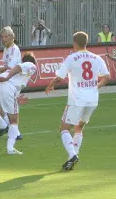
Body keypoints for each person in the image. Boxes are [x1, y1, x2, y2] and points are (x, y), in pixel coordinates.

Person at [45, 32, 111, 170]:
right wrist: (96, 86)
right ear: (86, 43)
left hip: (77, 100)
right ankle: (72, 157)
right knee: (79, 127)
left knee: (64, 128)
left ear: (74, 43)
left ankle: (72, 154)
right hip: (92, 99)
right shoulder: (96, 58)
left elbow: (59, 77)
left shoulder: (72, 58)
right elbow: (107, 77)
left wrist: (51, 84)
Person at [0, 26, 24, 140]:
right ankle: (5, 127)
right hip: (7, 80)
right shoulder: (6, 49)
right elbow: (5, 68)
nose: (3, 39)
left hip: (13, 82)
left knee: (3, 106)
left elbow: (9, 68)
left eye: (6, 36)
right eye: (2, 37)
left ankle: (14, 132)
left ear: (12, 37)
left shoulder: (14, 49)